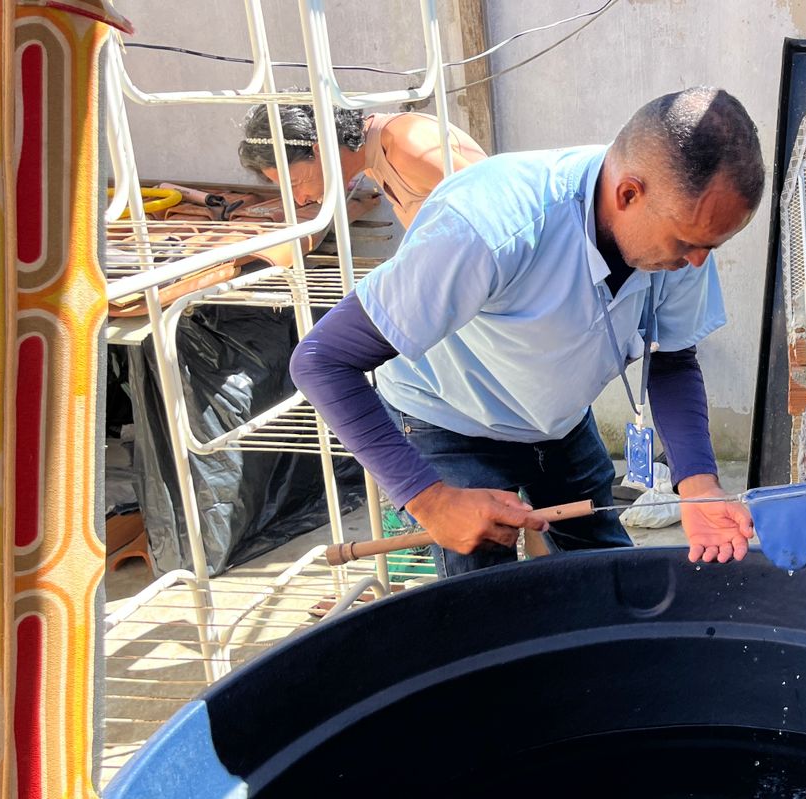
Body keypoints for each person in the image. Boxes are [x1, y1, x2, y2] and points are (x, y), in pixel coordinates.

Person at [290, 87, 763, 576]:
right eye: (687, 242)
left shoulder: (685, 233)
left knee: (607, 571)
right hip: (449, 416)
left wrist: (698, 484)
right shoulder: (489, 226)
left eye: (712, 245)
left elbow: (672, 359)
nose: (698, 261)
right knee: (485, 591)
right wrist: (430, 500)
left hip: (557, 421)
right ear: (628, 194)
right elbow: (321, 361)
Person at [237, 103, 487, 228]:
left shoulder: (405, 145)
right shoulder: (371, 159)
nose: (300, 200)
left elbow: (494, 205)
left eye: (295, 183)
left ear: (320, 150)